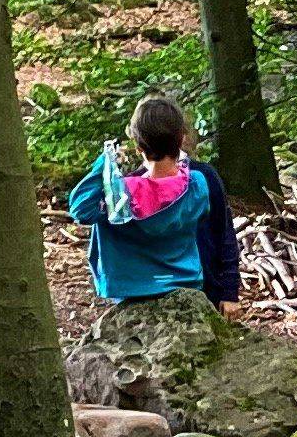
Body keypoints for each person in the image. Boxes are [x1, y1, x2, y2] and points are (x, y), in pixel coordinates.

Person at [69, 95, 221, 302]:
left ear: (138, 147)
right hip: (183, 280)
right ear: (181, 139)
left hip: (130, 287)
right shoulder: (197, 184)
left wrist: (105, 163)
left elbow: (80, 209)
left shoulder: (121, 194)